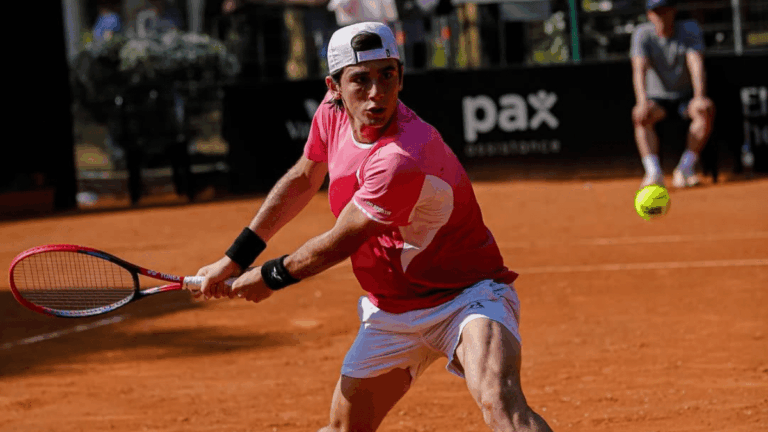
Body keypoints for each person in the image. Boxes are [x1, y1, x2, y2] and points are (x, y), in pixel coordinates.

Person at [195, 21, 555, 432]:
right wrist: (234, 258)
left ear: (400, 76)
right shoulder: (331, 117)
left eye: (388, 76)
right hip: (390, 310)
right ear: (334, 87)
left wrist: (269, 276)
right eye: (360, 80)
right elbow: (302, 180)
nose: (376, 94)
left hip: (467, 297)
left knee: (500, 403)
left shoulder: (402, 154)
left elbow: (339, 241)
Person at [630, 0, 715, 189]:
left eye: (665, 10)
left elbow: (696, 64)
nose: (661, 16)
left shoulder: (689, 29)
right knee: (640, 115)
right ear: (649, 15)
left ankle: (684, 170)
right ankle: (653, 173)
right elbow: (639, 69)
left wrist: (699, 96)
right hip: (657, 100)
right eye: (656, 11)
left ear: (674, 11)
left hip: (686, 97)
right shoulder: (642, 34)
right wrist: (642, 101)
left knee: (705, 110)